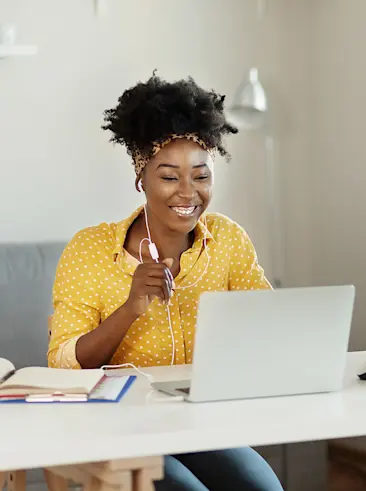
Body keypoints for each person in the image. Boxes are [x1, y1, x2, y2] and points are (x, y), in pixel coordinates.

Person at [48, 73, 283, 491]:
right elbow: (63, 362)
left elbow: (268, 325)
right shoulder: (91, 249)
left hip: (198, 422)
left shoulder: (227, 239)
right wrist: (130, 308)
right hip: (115, 426)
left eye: (202, 175)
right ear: (142, 178)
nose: (188, 192)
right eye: (170, 176)